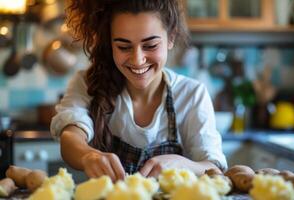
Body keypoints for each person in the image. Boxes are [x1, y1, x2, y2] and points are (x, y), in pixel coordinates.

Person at [51, 0, 227, 182]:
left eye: (150, 46)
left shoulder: (192, 94)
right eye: (123, 47)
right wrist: (88, 156)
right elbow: (70, 136)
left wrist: (181, 164)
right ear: (110, 43)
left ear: (171, 38)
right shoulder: (87, 83)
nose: (137, 60)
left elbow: (214, 168)